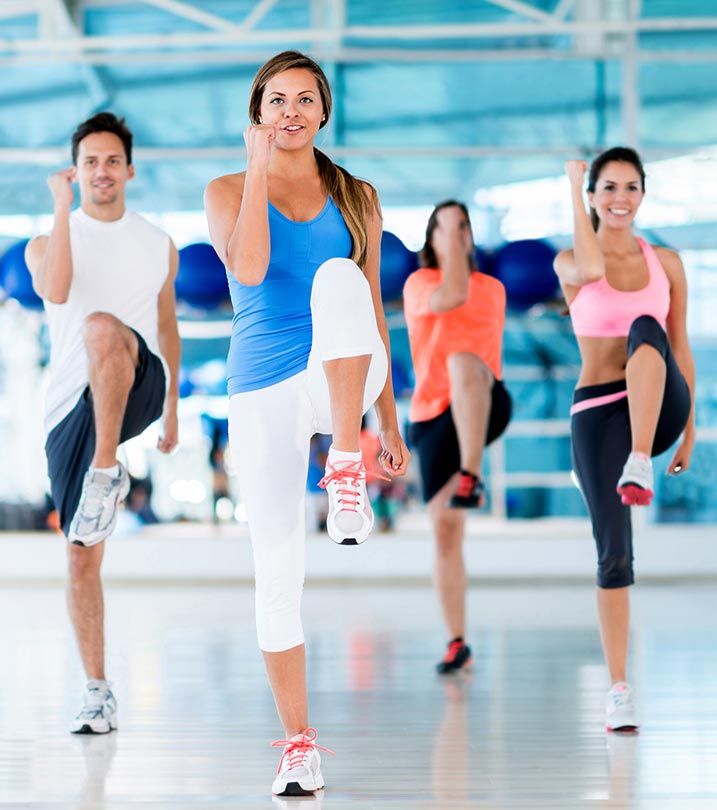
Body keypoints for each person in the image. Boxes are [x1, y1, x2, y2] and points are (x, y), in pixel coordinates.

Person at [204, 51, 409, 797]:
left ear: (324, 112)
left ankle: (346, 467)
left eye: (304, 99)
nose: (290, 111)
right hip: (263, 384)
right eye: (276, 100)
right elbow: (250, 271)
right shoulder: (227, 189)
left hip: (345, 376)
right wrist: (257, 170)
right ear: (258, 113)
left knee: (337, 277)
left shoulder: (356, 196)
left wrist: (390, 425)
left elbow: (375, 307)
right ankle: (298, 744)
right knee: (277, 573)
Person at [25, 112, 180, 734]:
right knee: (80, 559)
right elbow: (58, 290)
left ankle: (108, 469)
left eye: (112, 160)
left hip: (139, 381)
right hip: (71, 405)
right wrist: (61, 210)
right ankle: (97, 690)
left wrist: (171, 412)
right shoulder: (47, 241)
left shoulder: (157, 242)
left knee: (103, 328)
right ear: (76, 170)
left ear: (130, 169)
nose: (102, 171)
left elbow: (166, 326)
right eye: (90, 162)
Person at [554, 147, 694, 732]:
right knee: (613, 552)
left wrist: (691, 431)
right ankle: (619, 689)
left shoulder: (667, 261)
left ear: (643, 194)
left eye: (630, 187)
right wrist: (570, 183)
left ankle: (639, 460)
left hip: (660, 408)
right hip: (598, 411)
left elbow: (679, 344)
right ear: (592, 195)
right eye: (607, 187)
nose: (620, 198)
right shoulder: (569, 261)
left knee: (648, 327)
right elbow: (590, 270)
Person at [404, 200, 512, 674]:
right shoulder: (417, 284)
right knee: (446, 532)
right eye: (445, 227)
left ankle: (472, 474)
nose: (456, 233)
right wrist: (448, 243)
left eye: (464, 226)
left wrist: (451, 240)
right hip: (432, 416)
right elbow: (446, 294)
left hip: (483, 400)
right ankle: (457, 641)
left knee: (463, 362)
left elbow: (459, 294)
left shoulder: (491, 289)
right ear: (431, 240)